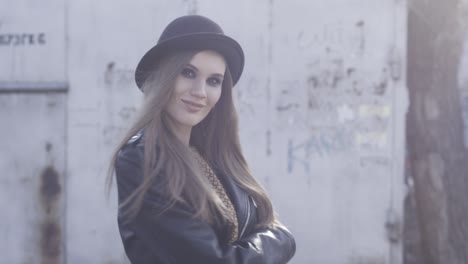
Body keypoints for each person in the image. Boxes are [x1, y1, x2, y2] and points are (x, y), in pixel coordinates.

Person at [107, 15, 296, 264]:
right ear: (163, 77)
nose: (200, 92)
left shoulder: (211, 157)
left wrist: (273, 236)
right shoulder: (143, 157)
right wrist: (283, 240)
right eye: (188, 72)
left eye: (213, 81)